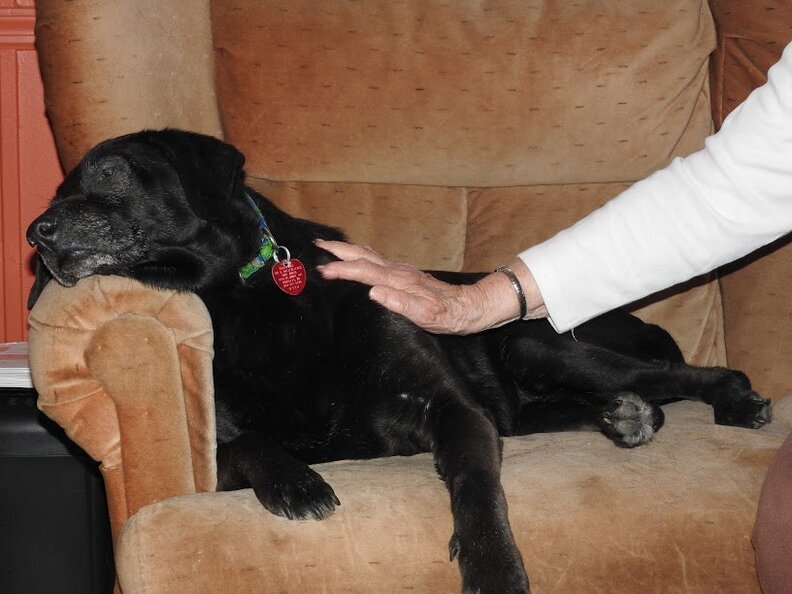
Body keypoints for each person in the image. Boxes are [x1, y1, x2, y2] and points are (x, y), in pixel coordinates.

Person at [317, 41, 792, 594]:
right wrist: (474, 301)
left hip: (559, 354)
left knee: (533, 353)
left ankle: (710, 384)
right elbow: (726, 192)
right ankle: (615, 408)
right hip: (511, 390)